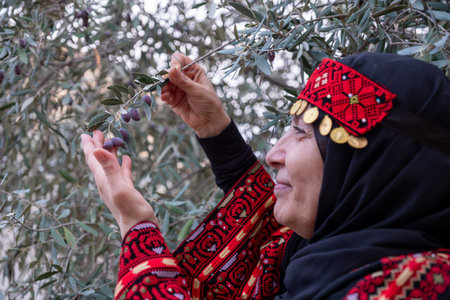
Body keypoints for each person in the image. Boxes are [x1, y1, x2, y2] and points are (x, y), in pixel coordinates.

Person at [81, 52, 450, 300]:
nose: (273, 155)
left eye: (302, 132)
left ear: (374, 167)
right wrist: (216, 131)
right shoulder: (333, 253)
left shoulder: (409, 287)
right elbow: (271, 234)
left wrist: (136, 227)